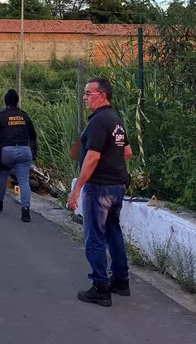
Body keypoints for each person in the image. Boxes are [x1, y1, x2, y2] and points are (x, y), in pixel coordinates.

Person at [66, 77, 134, 307]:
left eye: (88, 93)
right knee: (113, 232)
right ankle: (121, 280)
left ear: (102, 95)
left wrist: (77, 189)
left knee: (94, 236)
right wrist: (109, 159)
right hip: (117, 186)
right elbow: (127, 151)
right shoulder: (115, 120)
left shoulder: (98, 121)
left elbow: (92, 156)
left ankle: (100, 287)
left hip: (100, 187)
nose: (84, 97)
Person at [0, 89, 39, 222]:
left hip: (7, 151)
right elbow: (33, 136)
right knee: (24, 181)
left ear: (4, 102)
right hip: (25, 151)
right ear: (18, 102)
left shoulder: (1, 116)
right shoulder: (25, 116)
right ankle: (25, 211)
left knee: (3, 173)